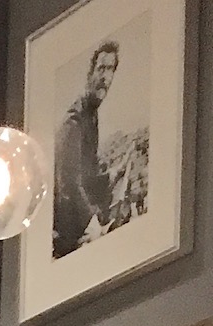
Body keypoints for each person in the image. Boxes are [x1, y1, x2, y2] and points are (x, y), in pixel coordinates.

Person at [52, 39, 119, 258]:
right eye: (101, 68)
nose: (106, 78)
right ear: (90, 74)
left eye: (111, 70)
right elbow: (68, 183)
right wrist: (92, 223)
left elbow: (88, 168)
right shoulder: (74, 121)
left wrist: (108, 177)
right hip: (66, 235)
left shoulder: (92, 116)